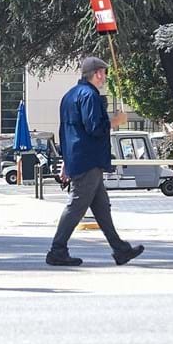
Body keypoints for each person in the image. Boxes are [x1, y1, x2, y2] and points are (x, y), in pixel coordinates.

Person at [46, 55, 145, 268]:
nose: (105, 78)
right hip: (88, 159)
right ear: (98, 73)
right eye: (104, 74)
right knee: (76, 205)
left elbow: (66, 131)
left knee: (101, 207)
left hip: (79, 158)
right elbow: (94, 128)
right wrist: (115, 122)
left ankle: (120, 249)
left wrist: (66, 159)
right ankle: (57, 250)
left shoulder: (69, 96)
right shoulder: (90, 96)